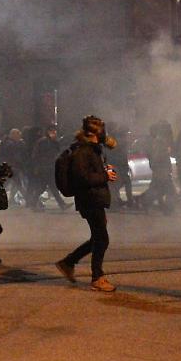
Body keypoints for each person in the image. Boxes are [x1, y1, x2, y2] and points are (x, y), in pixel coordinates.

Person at [55, 115, 118, 292]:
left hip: (95, 197)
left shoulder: (92, 149)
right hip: (89, 199)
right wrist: (104, 176)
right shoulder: (83, 151)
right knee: (102, 239)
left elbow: (89, 173)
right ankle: (97, 277)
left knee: (97, 238)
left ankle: (68, 262)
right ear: (94, 133)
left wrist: (104, 171)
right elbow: (82, 177)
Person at [29, 124, 67, 210]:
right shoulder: (42, 142)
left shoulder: (54, 142)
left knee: (46, 186)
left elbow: (57, 153)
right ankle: (62, 204)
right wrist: (37, 166)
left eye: (54, 131)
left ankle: (33, 203)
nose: (54, 133)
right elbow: (36, 155)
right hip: (44, 167)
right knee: (49, 186)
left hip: (50, 167)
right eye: (52, 131)